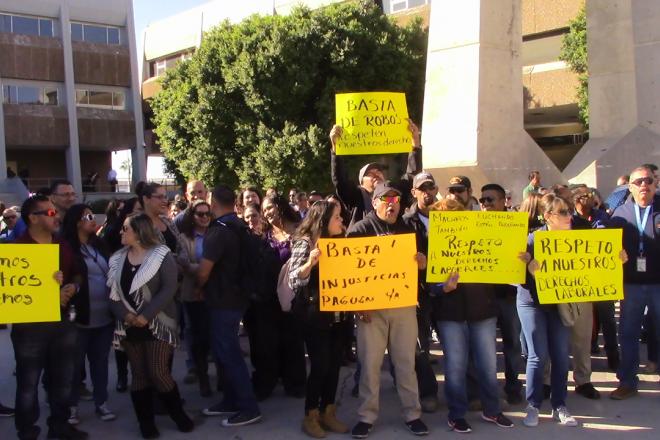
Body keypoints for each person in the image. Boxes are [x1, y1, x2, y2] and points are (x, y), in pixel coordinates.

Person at [346, 182, 429, 438]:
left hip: (403, 306)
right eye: (386, 199)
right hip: (372, 309)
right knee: (370, 365)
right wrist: (359, 305)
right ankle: (366, 416)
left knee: (405, 363)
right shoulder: (359, 230)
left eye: (396, 200)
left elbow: (423, 266)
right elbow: (349, 271)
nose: (392, 204)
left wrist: (422, 264)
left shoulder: (409, 229)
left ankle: (412, 414)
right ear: (374, 202)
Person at [430, 195, 514, 433]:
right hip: (450, 315)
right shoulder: (431, 242)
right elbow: (427, 285)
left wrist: (515, 262)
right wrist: (442, 287)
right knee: (455, 366)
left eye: (456, 214)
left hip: (483, 311)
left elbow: (501, 265)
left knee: (488, 364)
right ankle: (457, 414)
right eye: (445, 217)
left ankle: (492, 409)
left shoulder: (482, 237)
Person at [108, 213, 194, 438]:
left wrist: (146, 315)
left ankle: (178, 415)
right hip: (129, 325)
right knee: (139, 374)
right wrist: (126, 316)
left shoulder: (161, 255)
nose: (121, 232)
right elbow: (113, 293)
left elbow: (168, 289)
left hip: (158, 322)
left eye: (125, 228)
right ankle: (145, 423)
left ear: (139, 231)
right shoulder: (117, 259)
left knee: (158, 372)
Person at [12, 195, 88, 440]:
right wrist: (44, 293)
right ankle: (27, 431)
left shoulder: (63, 245)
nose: (57, 217)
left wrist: (71, 288)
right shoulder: (16, 252)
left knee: (63, 381)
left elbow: (77, 274)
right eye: (51, 213)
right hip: (29, 328)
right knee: (28, 384)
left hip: (63, 323)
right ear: (33, 218)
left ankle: (60, 426)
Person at [197, 185, 262, 427]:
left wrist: (189, 274)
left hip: (223, 300)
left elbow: (204, 272)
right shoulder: (239, 225)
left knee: (229, 354)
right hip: (238, 296)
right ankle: (230, 400)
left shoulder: (218, 231)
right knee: (225, 353)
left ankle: (248, 406)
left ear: (213, 203)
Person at [518, 194, 583, 427]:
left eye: (569, 211)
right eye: (563, 212)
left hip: (559, 304)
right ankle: (533, 405)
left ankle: (559, 405)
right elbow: (512, 275)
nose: (569, 216)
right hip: (532, 302)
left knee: (560, 356)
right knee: (538, 355)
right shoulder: (531, 240)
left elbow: (591, 269)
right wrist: (527, 266)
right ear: (548, 216)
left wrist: (616, 260)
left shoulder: (575, 241)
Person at [289, 201, 350, 438]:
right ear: (323, 220)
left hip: (340, 316)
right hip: (315, 317)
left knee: (335, 365)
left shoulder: (341, 242)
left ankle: (328, 412)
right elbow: (295, 279)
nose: (341, 221)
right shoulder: (305, 243)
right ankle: (311, 414)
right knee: (320, 366)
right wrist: (310, 263)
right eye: (337, 217)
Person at [244, 194, 306, 400]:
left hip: (292, 295)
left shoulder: (300, 231)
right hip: (267, 296)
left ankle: (295, 383)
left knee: (293, 341)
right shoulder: (263, 235)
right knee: (266, 343)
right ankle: (266, 383)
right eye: (265, 209)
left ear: (280, 206)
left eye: (270, 207)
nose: (267, 213)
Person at [62, 204, 117, 423]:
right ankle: (72, 406)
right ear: (77, 221)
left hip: (104, 317)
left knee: (100, 362)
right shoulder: (65, 247)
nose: (93, 220)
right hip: (79, 318)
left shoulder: (99, 245)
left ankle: (101, 403)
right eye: (89, 216)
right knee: (74, 365)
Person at [609, 165, 660, 399]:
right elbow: (605, 246)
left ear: (655, 183)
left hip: (658, 283)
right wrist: (615, 253)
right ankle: (628, 381)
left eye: (648, 181)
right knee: (628, 333)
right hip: (630, 284)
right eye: (638, 182)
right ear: (630, 186)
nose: (644, 185)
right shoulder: (620, 214)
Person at [329, 120, 422, 229]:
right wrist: (336, 149)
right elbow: (340, 180)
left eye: (379, 171)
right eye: (370, 173)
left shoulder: (395, 192)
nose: (376, 174)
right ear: (361, 183)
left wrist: (415, 143)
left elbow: (412, 176)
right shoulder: (355, 196)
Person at [479, 184, 524, 405]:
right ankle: (488, 390)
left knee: (513, 344)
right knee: (486, 347)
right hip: (484, 295)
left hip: (510, 295)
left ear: (503, 201)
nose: (485, 204)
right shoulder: (473, 225)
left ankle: (514, 386)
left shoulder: (516, 225)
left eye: (490, 200)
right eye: (482, 200)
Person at [402, 172, 441, 412]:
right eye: (422, 188)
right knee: (421, 346)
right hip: (419, 292)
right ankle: (428, 392)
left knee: (458, 343)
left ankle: (468, 392)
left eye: (431, 187)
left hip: (449, 289)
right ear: (414, 192)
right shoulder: (405, 221)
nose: (427, 192)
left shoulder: (450, 217)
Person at [177, 200, 216, 397]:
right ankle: (202, 378)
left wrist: (207, 271)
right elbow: (183, 262)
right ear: (192, 216)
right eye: (200, 214)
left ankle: (222, 379)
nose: (204, 218)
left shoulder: (216, 234)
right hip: (193, 293)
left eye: (207, 214)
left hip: (215, 293)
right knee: (199, 338)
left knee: (215, 337)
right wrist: (205, 270)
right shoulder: (184, 238)